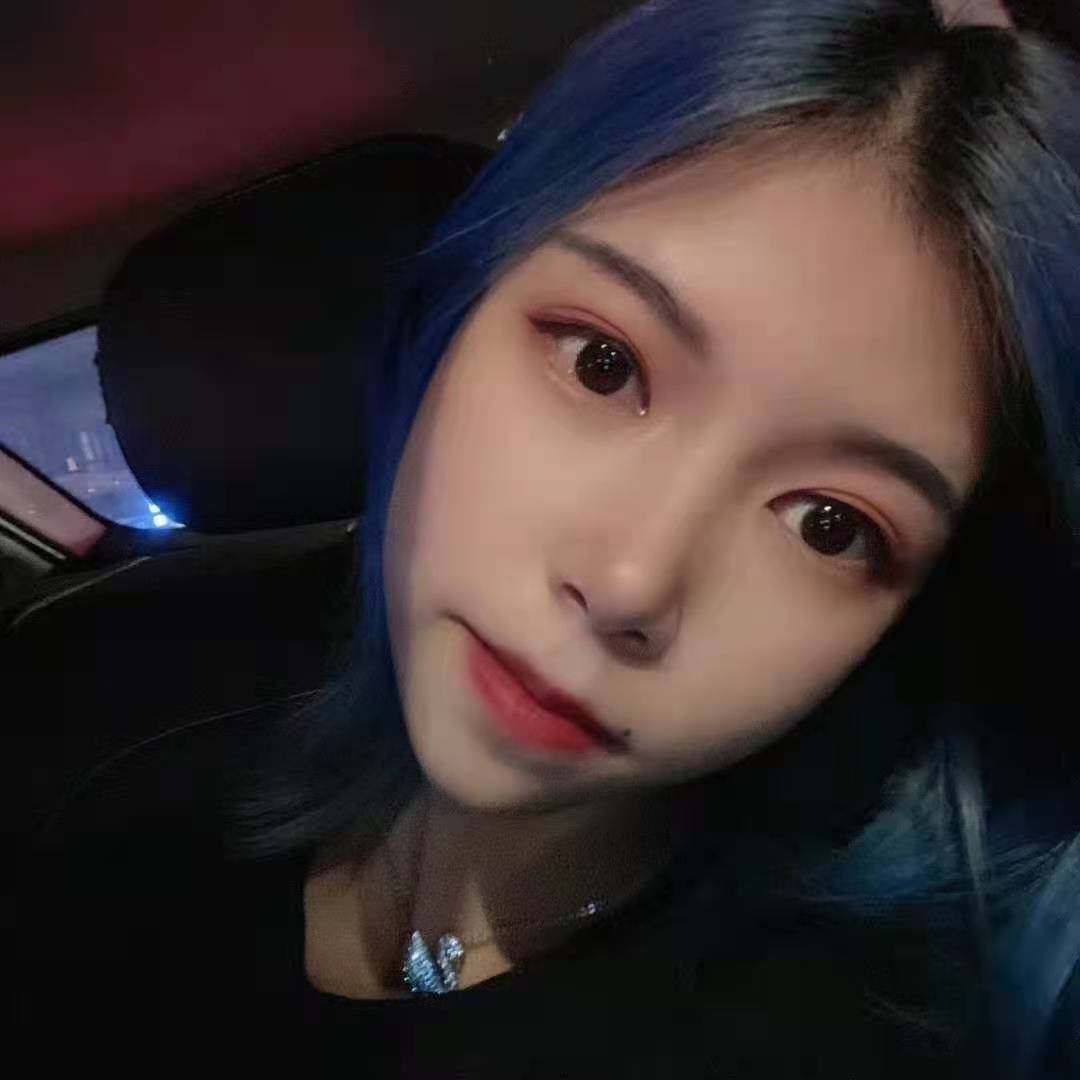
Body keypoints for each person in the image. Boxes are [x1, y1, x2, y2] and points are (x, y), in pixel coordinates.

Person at [18, 0, 1080, 1076]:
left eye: (830, 524)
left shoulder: (820, 1041)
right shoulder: (129, 806)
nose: (630, 581)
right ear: (451, 311)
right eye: (602, 365)